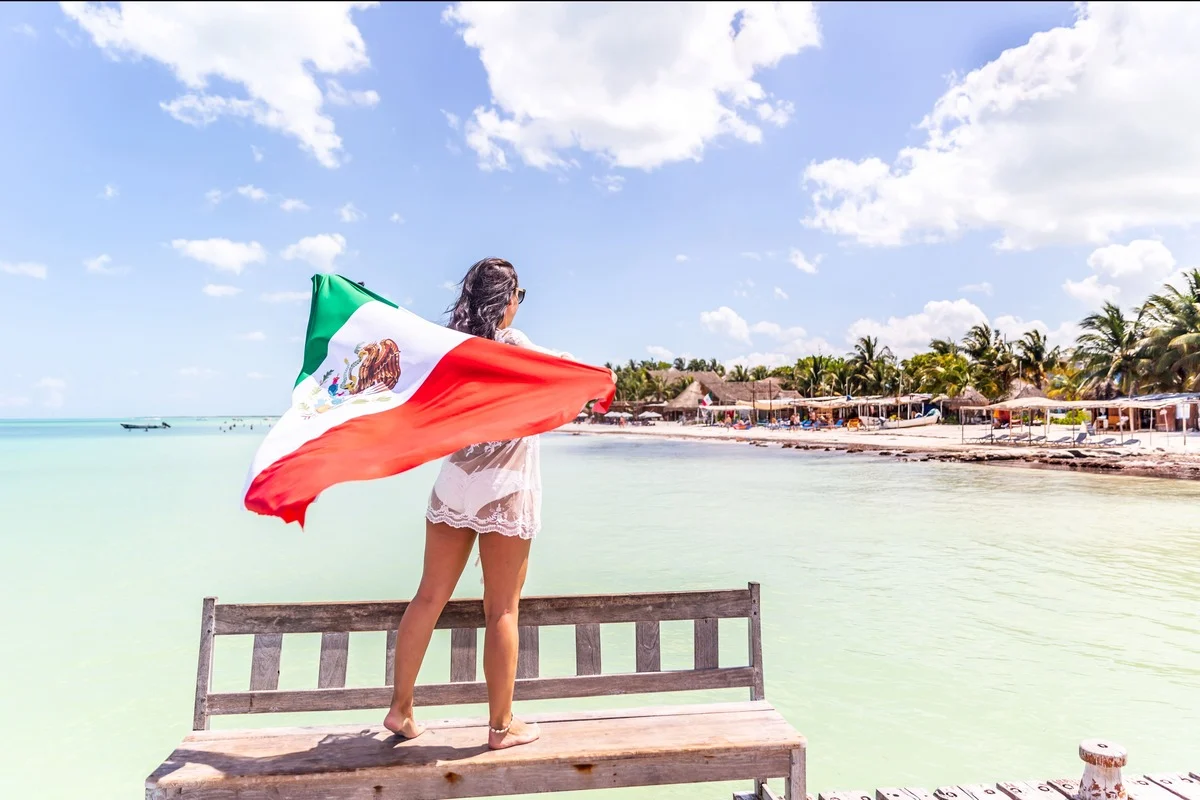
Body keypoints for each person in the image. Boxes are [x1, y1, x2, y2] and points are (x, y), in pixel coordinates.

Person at [384, 257, 608, 751]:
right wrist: (601, 379)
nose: (517, 306)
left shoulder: (455, 349)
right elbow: (565, 370)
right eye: (518, 296)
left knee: (428, 596)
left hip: (455, 482)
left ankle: (400, 709)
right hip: (505, 488)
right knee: (502, 609)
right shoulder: (513, 346)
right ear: (506, 300)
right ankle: (501, 727)